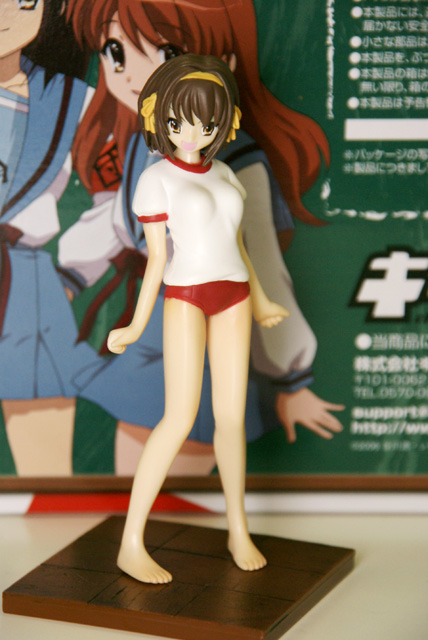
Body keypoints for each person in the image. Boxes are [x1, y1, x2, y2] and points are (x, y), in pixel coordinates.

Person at [59, 0, 344, 476]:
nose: (135, 75)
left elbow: (260, 259)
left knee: (196, 435)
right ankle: (136, 523)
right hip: (167, 317)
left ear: (223, 65)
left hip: (219, 320)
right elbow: (116, 223)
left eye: (168, 53)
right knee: (147, 442)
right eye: (116, 51)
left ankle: (216, 519)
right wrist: (69, 275)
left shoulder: (235, 166)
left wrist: (291, 376)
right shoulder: (147, 149)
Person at [109, 54, 288, 583]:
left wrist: (262, 299)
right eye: (179, 121)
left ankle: (238, 529)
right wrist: (135, 324)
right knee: (178, 418)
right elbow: (156, 260)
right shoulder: (157, 179)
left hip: (235, 295)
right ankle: (131, 542)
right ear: (158, 116)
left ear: (222, 123)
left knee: (232, 418)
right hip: (186, 296)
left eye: (207, 124)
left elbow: (239, 244)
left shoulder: (227, 172)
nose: (192, 134)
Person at [0, 0, 100, 476]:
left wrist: (73, 275)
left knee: (47, 475)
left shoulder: (71, 101)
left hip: (27, 286)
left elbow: (125, 199)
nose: (5, 13)